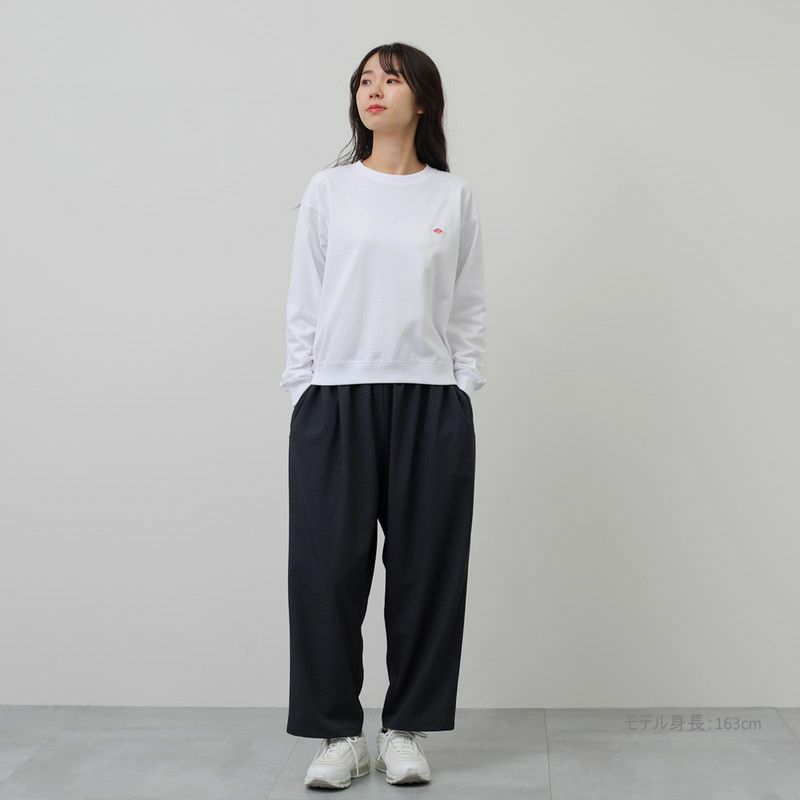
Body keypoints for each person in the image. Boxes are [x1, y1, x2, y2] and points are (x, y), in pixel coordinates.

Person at [279, 41, 487, 789]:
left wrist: (462, 389)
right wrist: (304, 390)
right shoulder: (330, 190)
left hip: (429, 401)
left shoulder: (451, 196)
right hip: (337, 397)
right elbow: (305, 298)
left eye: (391, 80)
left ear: (421, 100)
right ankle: (339, 735)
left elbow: (467, 308)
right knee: (325, 573)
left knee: (427, 573)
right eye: (365, 80)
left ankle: (404, 732)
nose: (374, 90)